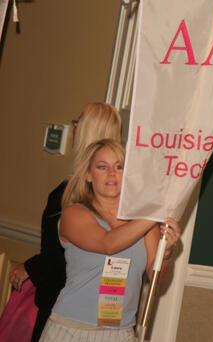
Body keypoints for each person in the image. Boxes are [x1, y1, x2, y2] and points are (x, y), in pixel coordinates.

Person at [39, 138, 181, 341]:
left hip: (120, 332)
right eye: (102, 167)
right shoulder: (74, 214)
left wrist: (166, 253)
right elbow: (109, 244)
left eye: (119, 167)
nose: (112, 174)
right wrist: (154, 211)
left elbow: (155, 279)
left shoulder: (143, 222)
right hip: (70, 329)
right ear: (88, 174)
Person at [9, 102, 122, 341]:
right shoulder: (123, 201)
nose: (74, 127)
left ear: (87, 133)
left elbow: (58, 255)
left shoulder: (66, 198)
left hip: (64, 313)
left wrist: (30, 268)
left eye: (78, 122)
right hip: (108, 313)